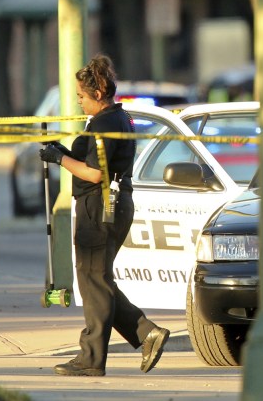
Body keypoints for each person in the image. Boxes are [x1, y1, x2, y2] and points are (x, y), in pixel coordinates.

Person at [39, 54, 170, 376]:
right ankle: (145, 333)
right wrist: (66, 152)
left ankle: (92, 358)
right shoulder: (117, 119)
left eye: (81, 97)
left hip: (99, 206)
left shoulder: (105, 123)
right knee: (98, 278)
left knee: (92, 278)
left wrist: (59, 160)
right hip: (111, 203)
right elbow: (96, 164)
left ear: (97, 94)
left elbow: (96, 174)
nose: (79, 103)